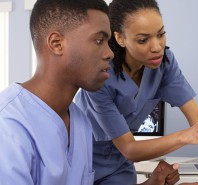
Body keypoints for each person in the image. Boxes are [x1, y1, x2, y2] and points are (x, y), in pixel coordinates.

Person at [0, 0, 183, 184]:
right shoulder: (8, 127)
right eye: (99, 40)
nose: (110, 53)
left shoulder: (80, 123)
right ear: (57, 44)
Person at [74, 0, 198, 184]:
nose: (157, 47)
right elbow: (129, 148)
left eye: (161, 34)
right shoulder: (100, 73)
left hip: (119, 164)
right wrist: (186, 135)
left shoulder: (164, 64)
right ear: (120, 38)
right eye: (143, 40)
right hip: (83, 160)